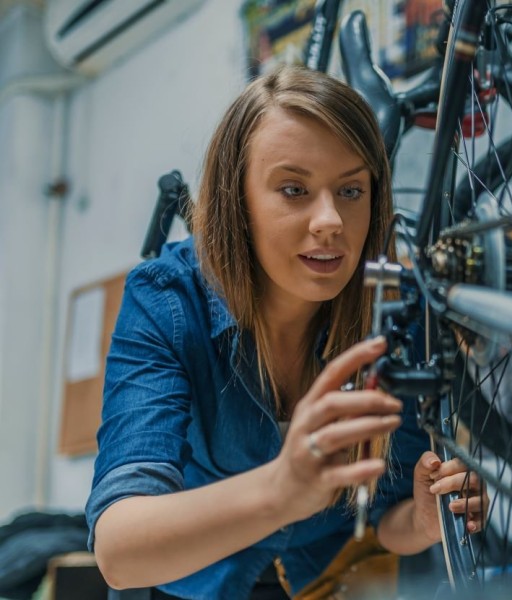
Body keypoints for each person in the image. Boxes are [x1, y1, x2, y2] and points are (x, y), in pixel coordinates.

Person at [86, 66, 487, 599]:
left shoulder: (396, 310)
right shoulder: (165, 299)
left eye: (350, 190)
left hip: (318, 581)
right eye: (294, 189)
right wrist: (280, 490)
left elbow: (386, 518)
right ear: (238, 201)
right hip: (185, 583)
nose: (331, 221)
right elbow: (118, 549)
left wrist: (423, 521)